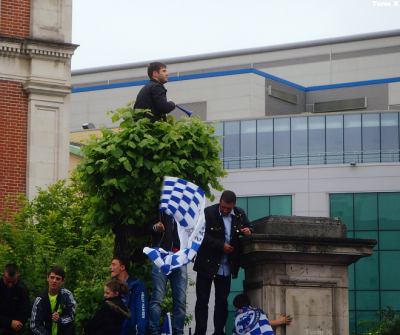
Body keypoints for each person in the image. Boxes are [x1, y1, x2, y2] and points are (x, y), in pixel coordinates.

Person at [193, 191, 255, 335]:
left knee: (221, 301)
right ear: (220, 202)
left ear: (234, 205)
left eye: (228, 208)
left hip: (227, 265)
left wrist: (248, 230)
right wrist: (221, 245)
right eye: (223, 207)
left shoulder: (239, 213)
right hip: (207, 263)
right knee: (202, 300)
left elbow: (251, 227)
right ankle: (200, 331)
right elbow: (201, 235)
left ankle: (219, 331)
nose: (225, 210)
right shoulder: (209, 212)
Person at [146, 210, 187, 335]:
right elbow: (147, 226)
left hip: (179, 257)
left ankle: (178, 331)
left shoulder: (185, 209)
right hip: (161, 255)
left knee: (180, 299)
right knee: (157, 297)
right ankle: (154, 331)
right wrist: (155, 227)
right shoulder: (160, 206)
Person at [30, 266, 76, 335]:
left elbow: (71, 316)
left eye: (58, 279)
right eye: (52, 277)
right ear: (47, 278)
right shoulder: (39, 300)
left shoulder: (67, 295)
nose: (54, 281)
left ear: (62, 281)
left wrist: (60, 320)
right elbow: (34, 325)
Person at [109, 256, 148, 335]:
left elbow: (142, 311)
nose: (110, 267)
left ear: (122, 267)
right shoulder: (111, 288)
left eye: (113, 265)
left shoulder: (137, 286)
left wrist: (140, 332)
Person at [0, 264, 30, 335]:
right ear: (3, 276)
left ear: (18, 276)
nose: (10, 284)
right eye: (7, 281)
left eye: (13, 281)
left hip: (12, 329)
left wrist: (6, 327)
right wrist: (9, 322)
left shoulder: (22, 289)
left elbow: (24, 313)